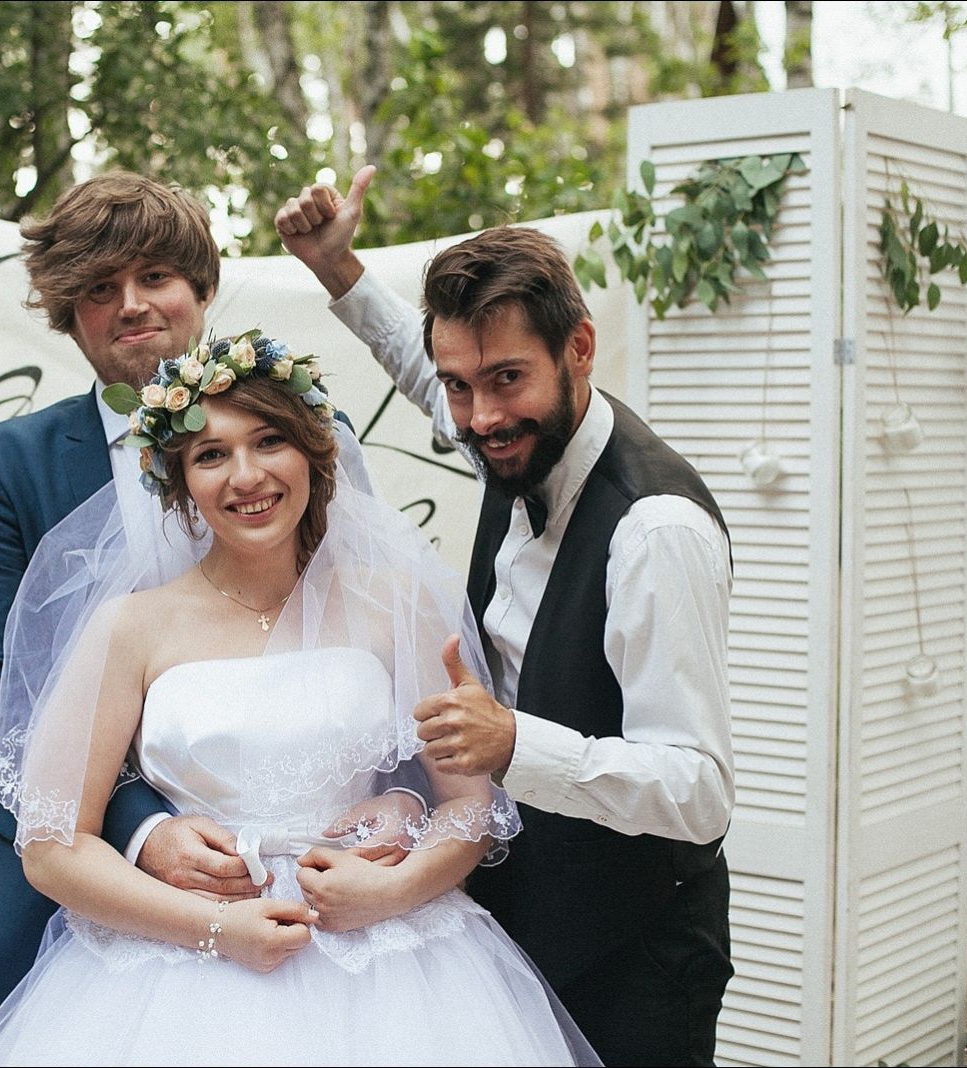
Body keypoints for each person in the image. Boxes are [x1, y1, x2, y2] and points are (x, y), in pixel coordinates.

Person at [0, 333, 599, 1066]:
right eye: (211, 454)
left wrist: (393, 890)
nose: (246, 476)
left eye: (269, 441)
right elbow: (52, 849)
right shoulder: (128, 628)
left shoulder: (396, 605)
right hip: (179, 979)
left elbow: (471, 806)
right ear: (178, 480)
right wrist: (214, 929)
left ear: (314, 454)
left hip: (394, 974)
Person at [274, 168, 735, 1067]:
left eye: (506, 379)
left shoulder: (655, 532)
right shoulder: (509, 431)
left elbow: (698, 789)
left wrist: (514, 744)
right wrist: (336, 268)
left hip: (638, 953)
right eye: (460, 386)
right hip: (518, 917)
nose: (480, 417)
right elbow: (429, 371)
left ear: (580, 348)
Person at [0, 172, 263, 1013]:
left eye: (155, 276)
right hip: (59, 890)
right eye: (99, 289)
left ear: (202, 288)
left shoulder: (298, 446)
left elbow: (360, 630)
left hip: (275, 858)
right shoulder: (4, 466)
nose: (132, 305)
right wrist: (140, 827)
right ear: (68, 314)